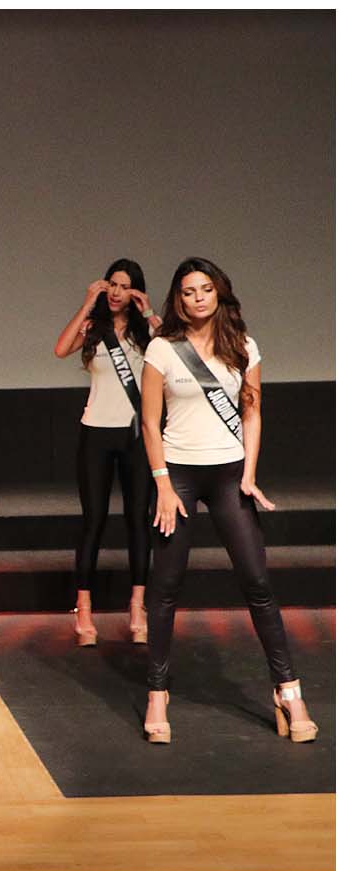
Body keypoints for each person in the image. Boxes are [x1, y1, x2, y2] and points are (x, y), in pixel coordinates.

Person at [140, 257, 317, 745]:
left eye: (205, 289)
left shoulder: (244, 346)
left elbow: (252, 415)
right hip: (175, 473)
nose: (197, 298)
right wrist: (161, 484)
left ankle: (288, 690)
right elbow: (150, 423)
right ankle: (158, 692)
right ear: (177, 298)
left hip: (227, 474)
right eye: (187, 291)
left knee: (257, 581)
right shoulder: (162, 349)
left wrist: (250, 474)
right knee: (167, 584)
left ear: (220, 293)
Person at [53, 259, 160, 646]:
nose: (116, 292)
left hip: (135, 436)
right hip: (96, 433)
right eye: (111, 284)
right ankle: (83, 612)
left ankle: (137, 607)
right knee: (93, 519)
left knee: (137, 519)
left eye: (124, 286)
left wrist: (148, 311)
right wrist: (86, 303)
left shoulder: (146, 333)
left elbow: (179, 351)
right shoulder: (93, 328)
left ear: (135, 291)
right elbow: (61, 349)